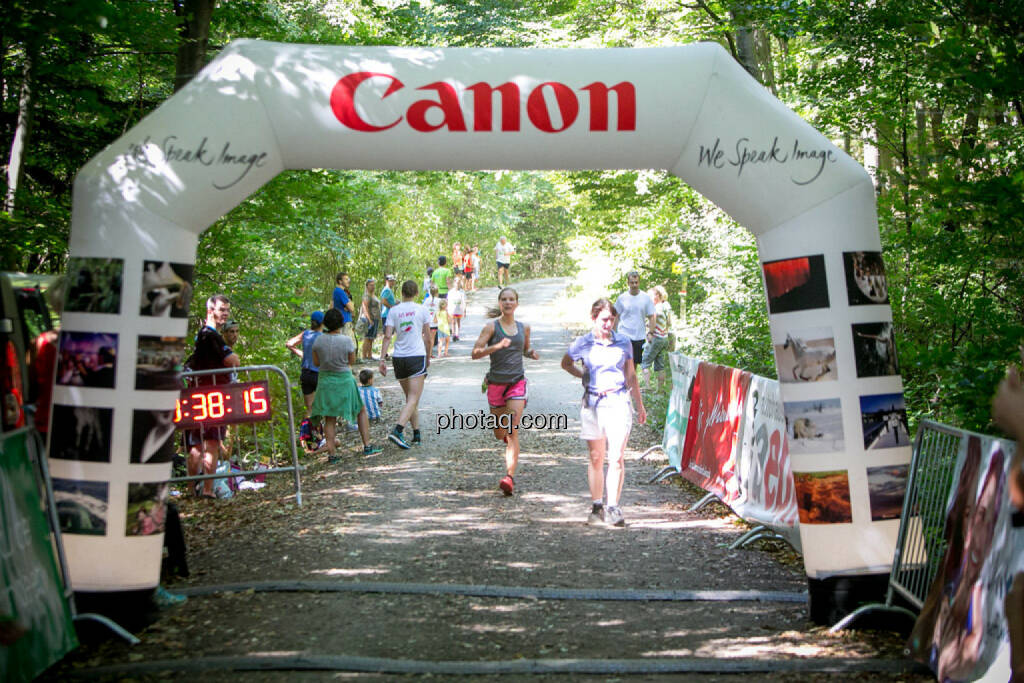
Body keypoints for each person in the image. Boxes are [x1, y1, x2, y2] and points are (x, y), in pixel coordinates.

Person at [561, 298, 647, 527]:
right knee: (597, 457)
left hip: (618, 400)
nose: (608, 324)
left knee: (616, 456)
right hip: (593, 403)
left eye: (612, 319)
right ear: (593, 318)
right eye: (604, 319)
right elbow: (566, 363)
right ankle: (597, 505)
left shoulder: (624, 342)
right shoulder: (583, 343)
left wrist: (640, 405)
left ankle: (614, 506)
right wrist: (583, 376)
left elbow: (631, 375)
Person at [472, 287, 540, 496]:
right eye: (504, 299)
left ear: (517, 304)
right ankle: (504, 436)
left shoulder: (524, 328)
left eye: (511, 299)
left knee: (511, 430)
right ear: (500, 303)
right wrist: (496, 347)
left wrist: (531, 353)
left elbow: (524, 350)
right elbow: (475, 353)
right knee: (499, 433)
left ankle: (509, 477)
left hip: (517, 383)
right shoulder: (491, 328)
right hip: (495, 385)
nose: (508, 302)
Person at [310, 309, 382, 462]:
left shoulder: (318, 341)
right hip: (344, 379)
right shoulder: (346, 341)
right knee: (360, 410)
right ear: (341, 323)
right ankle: (367, 446)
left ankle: (332, 454)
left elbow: (316, 362)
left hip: (326, 382)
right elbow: (351, 360)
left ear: (325, 323)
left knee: (330, 418)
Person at [187, 294, 240, 498]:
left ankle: (194, 489)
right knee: (207, 443)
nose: (225, 313)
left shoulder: (206, 335)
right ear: (211, 311)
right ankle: (206, 490)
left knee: (200, 443)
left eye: (227, 310)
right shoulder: (209, 335)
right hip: (211, 396)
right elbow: (232, 360)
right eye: (221, 310)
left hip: (202, 394)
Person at [379, 280, 432, 449]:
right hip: (416, 355)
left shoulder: (393, 311)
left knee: (410, 398)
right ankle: (398, 430)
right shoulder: (422, 310)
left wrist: (382, 359)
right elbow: (428, 337)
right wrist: (428, 356)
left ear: (402, 293)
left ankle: (416, 434)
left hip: (399, 357)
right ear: (416, 293)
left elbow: (387, 336)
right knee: (414, 398)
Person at [614, 271, 656, 369]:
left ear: (639, 282)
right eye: (632, 282)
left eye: (636, 282)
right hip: (624, 334)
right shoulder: (622, 298)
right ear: (628, 283)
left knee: (634, 364)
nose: (634, 285)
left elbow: (652, 316)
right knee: (623, 362)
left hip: (639, 336)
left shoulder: (645, 298)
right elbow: (616, 316)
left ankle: (631, 382)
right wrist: (613, 333)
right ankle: (623, 382)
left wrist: (651, 332)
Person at [286, 310, 324, 416]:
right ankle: (323, 430)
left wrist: (303, 354)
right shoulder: (324, 337)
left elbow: (289, 344)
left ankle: (312, 431)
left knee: (309, 408)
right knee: (323, 405)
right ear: (323, 323)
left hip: (306, 374)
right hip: (319, 374)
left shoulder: (306, 334)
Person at [640, 285, 673, 392]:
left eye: (650, 297)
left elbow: (653, 318)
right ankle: (660, 389)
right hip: (664, 338)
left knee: (645, 361)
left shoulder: (656, 308)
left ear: (657, 296)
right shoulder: (666, 307)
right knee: (660, 365)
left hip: (656, 338)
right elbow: (669, 323)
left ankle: (647, 386)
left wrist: (650, 332)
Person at [358, 278, 382, 362]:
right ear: (367, 286)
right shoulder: (366, 295)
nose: (373, 287)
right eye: (371, 285)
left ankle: (369, 355)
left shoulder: (373, 295)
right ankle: (364, 356)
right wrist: (369, 319)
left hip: (375, 318)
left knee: (372, 337)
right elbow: (365, 307)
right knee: (367, 337)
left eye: (373, 285)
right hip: (369, 319)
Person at [380, 275, 398, 358]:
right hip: (386, 315)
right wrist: (391, 306)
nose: (392, 282)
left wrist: (395, 303)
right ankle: (384, 354)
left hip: (389, 314)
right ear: (387, 281)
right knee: (387, 334)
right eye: (391, 281)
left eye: (393, 280)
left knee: (389, 334)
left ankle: (385, 353)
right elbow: (383, 300)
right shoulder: (387, 290)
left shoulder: (389, 290)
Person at [332, 272, 355, 338]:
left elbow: (332, 305)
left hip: (340, 321)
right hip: (345, 321)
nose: (348, 281)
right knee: (348, 345)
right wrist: (350, 302)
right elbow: (352, 308)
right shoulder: (341, 292)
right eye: (346, 279)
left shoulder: (336, 291)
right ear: (340, 281)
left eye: (348, 279)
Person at [423, 284, 440, 358]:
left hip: (426, 322)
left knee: (426, 337)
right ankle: (430, 353)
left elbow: (422, 309)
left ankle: (425, 352)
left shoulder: (426, 300)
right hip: (434, 322)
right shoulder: (439, 300)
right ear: (437, 292)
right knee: (432, 338)